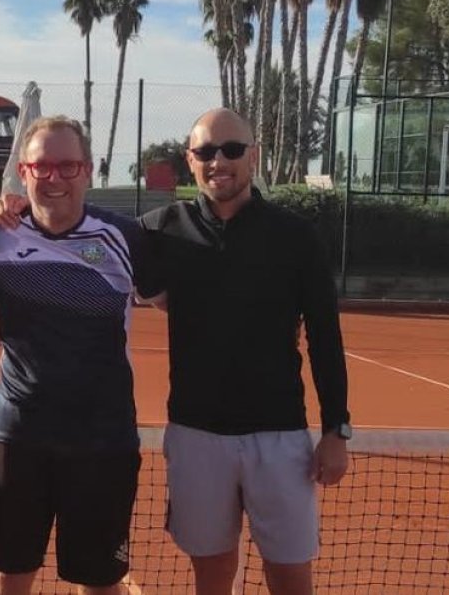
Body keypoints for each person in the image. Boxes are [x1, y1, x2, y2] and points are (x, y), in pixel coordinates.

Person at [138, 107, 350, 595]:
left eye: (232, 150)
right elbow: (80, 229)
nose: (219, 162)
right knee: (211, 577)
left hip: (279, 438)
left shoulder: (295, 236)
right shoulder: (158, 230)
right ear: (190, 161)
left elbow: (325, 334)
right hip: (196, 436)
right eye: (206, 152)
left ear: (253, 156)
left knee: (291, 577)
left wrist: (336, 428)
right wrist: (13, 210)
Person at [0, 116, 161, 595]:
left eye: (67, 165)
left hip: (102, 441)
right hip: (20, 438)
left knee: (100, 583)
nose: (54, 177)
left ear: (87, 171)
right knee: (10, 577)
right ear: (24, 170)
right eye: (42, 166)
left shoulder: (125, 238)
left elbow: (181, 302)